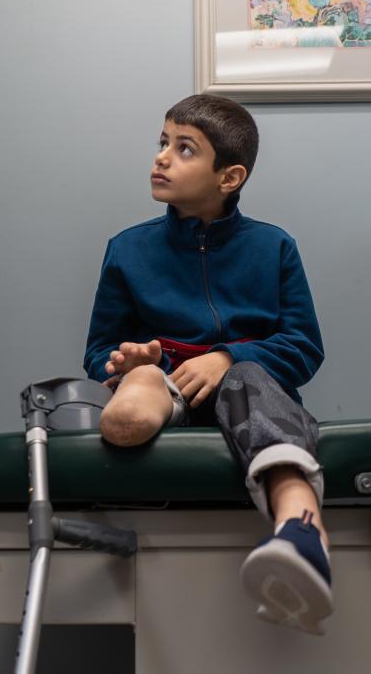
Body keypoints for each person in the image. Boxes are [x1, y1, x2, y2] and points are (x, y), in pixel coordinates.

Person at [82, 94, 331, 635]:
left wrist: (229, 357)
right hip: (165, 390)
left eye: (185, 148)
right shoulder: (127, 250)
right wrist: (128, 360)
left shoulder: (273, 247)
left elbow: (304, 346)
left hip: (250, 396)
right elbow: (99, 350)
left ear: (229, 176)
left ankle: (302, 528)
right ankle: (136, 404)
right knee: (144, 376)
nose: (162, 158)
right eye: (162, 143)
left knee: (246, 377)